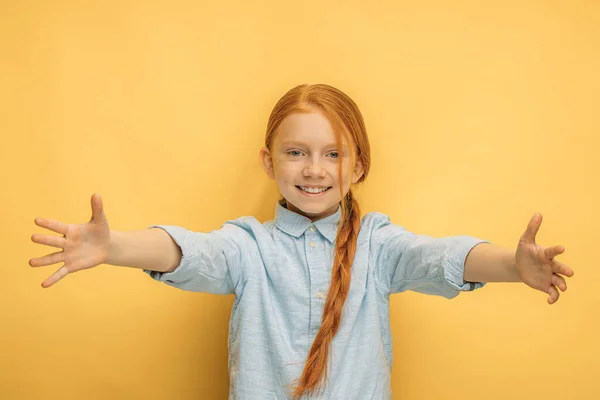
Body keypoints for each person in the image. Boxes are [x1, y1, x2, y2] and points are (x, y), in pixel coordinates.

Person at [29, 84, 574, 399]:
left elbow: (437, 257)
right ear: (270, 162)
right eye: (296, 152)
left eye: (332, 153)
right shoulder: (248, 247)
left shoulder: (378, 245)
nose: (314, 169)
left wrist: (510, 264)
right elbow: (191, 252)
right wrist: (115, 247)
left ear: (357, 165)